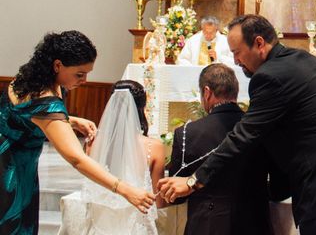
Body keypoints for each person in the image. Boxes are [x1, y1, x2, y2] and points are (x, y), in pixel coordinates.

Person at [158, 15, 316, 235]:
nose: (235, 61)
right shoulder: (303, 59)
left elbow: (245, 134)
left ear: (259, 43)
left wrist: (194, 180)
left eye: (237, 52)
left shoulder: (270, 76)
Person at [0, 31, 154, 235]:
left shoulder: (29, 78)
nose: (84, 80)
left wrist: (69, 120)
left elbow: (23, 115)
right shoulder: (46, 101)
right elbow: (76, 158)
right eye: (79, 74)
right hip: (12, 173)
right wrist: (124, 189)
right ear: (57, 65)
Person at [166, 63, 273, 235]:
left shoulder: (186, 133)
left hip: (207, 225)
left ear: (207, 92)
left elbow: (176, 196)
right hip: (253, 222)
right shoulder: (259, 128)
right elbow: (277, 186)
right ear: (235, 92)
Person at [60, 80, 166, 234]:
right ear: (142, 108)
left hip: (99, 225)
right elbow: (159, 202)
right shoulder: (155, 147)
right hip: (135, 227)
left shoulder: (93, 142)